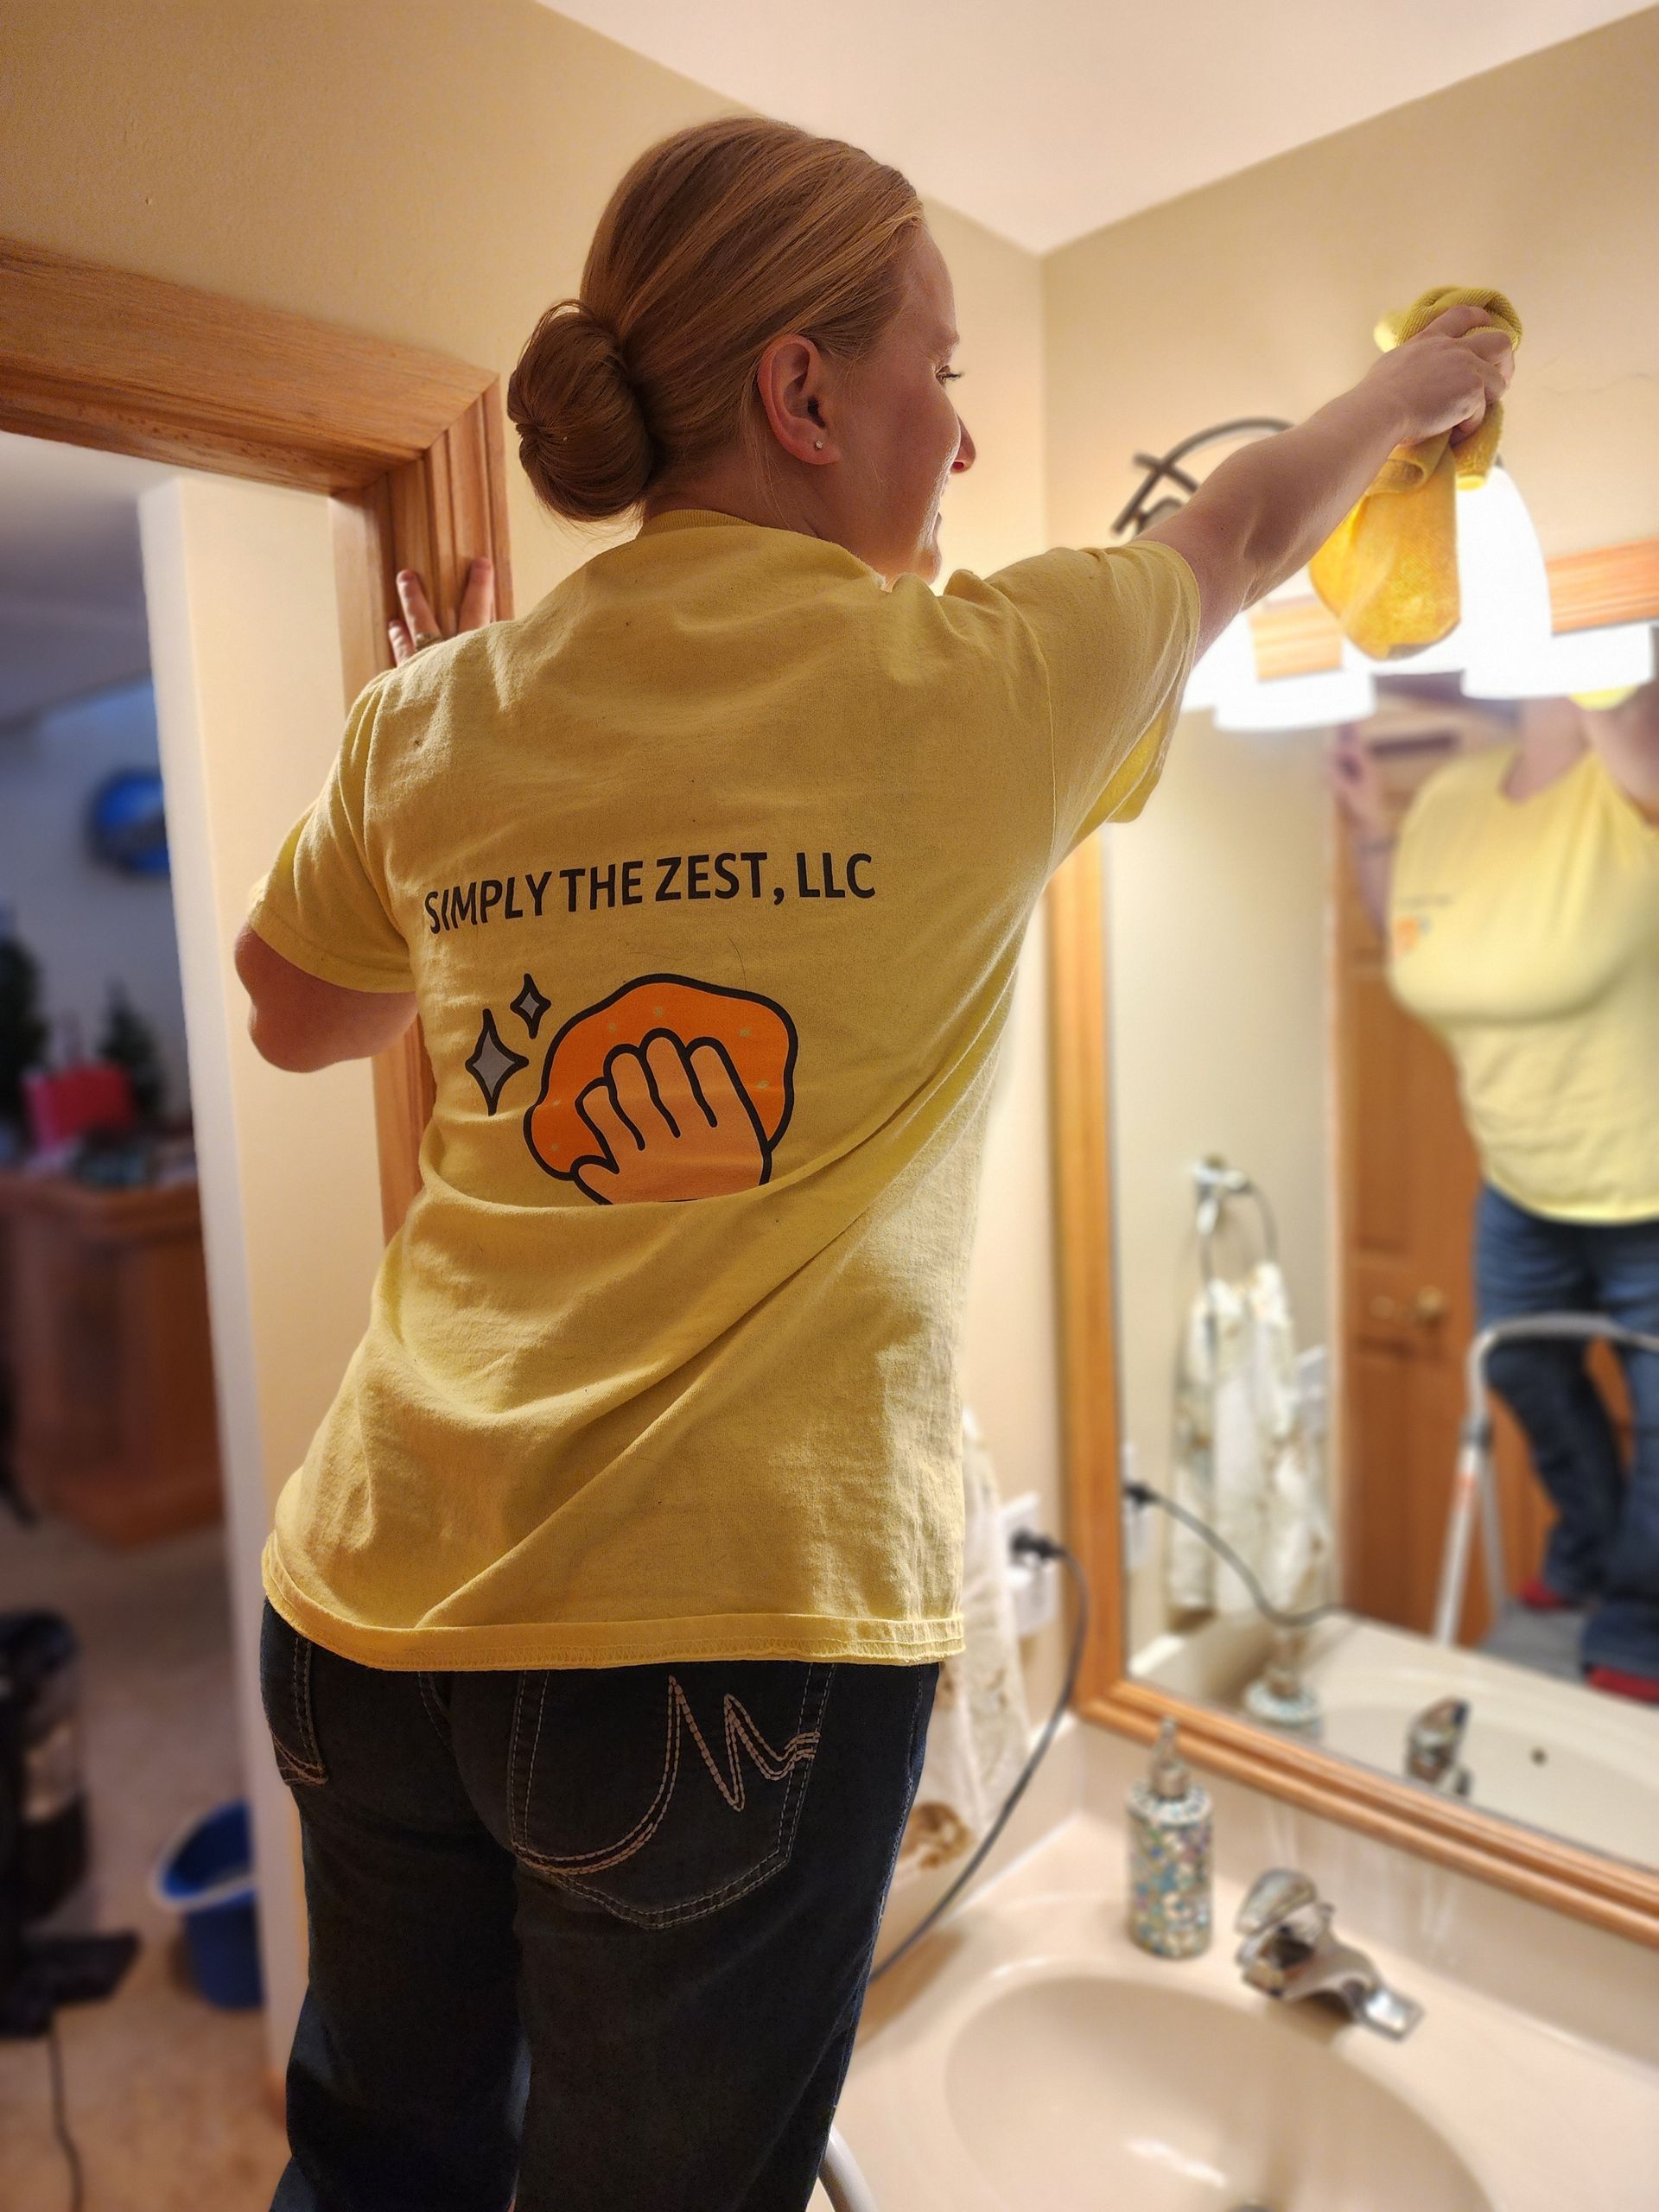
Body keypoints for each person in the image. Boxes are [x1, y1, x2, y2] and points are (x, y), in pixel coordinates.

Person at [235, 113, 1513, 2212]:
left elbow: (300, 1012)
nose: (968, 449)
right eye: (944, 374)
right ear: (804, 394)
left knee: (378, 2174)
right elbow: (1257, 516)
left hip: (369, 1603)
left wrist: (460, 850)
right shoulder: (983, 679)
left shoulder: (437, 715)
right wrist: (1419, 381)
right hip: (717, 1649)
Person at [1331, 681, 1659, 1703]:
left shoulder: (1631, 782)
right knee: (1520, 1367)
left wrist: (1598, 667)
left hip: (1647, 1188)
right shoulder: (1457, 793)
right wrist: (1373, 832)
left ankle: (1640, 1621)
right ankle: (1598, 1552)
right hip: (1521, 1180)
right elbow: (1415, 940)